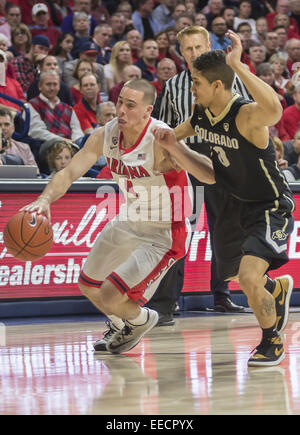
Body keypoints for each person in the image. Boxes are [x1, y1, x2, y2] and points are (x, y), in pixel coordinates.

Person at [21, 78, 215, 355]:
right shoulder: (105, 134)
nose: (120, 110)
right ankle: (123, 324)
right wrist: (44, 199)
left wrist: (177, 148)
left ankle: (142, 320)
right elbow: (67, 173)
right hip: (129, 220)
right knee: (88, 285)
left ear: (148, 111)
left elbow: (208, 174)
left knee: (112, 294)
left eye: (130, 105)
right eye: (120, 102)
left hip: (164, 231)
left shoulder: (161, 138)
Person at [154, 31, 295, 366]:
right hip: (234, 203)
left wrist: (239, 65)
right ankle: (275, 290)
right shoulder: (201, 115)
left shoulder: (245, 114)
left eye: (197, 83)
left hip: (268, 205)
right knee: (235, 275)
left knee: (247, 278)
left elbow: (275, 110)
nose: (192, 89)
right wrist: (171, 146)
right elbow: (202, 169)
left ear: (217, 86)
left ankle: (271, 339)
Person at [153, 26, 249, 319]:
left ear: (209, 45)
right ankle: (165, 303)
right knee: (181, 230)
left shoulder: (232, 79)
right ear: (180, 53)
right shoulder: (172, 86)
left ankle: (222, 295)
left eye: (198, 47)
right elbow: (163, 129)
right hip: (187, 160)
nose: (194, 54)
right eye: (188, 49)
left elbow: (246, 117)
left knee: (227, 230)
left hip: (224, 159)